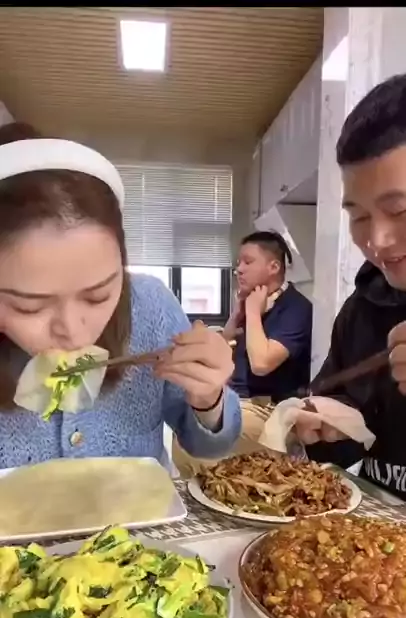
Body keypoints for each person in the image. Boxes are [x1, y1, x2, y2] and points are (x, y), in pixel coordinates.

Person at [0, 122, 241, 470]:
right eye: (29, 306)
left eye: (98, 296)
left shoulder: (150, 305)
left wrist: (208, 397)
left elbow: (207, 443)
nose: (74, 333)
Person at [291, 73, 406, 500]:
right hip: (374, 531)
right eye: (358, 216)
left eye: (400, 210)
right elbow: (342, 446)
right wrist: (323, 427)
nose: (377, 240)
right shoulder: (363, 307)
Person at [172, 230, 312, 476]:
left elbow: (261, 364)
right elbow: (223, 353)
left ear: (274, 267)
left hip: (269, 410)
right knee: (184, 426)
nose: (239, 270)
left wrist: (254, 312)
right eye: (239, 263)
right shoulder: (252, 304)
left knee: (192, 444)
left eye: (248, 262)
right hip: (237, 401)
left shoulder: (296, 308)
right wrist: (236, 316)